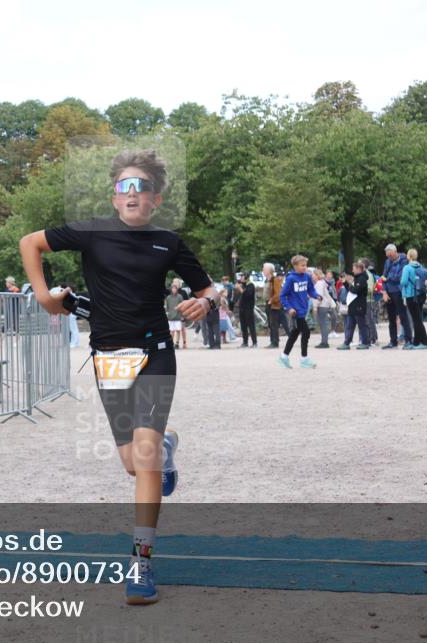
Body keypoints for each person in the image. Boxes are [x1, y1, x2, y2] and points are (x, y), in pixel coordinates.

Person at [19, 149, 217, 605]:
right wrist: (46, 296)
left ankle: (141, 563)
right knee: (134, 463)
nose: (132, 194)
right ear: (114, 197)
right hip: (110, 359)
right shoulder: (91, 232)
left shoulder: (168, 242)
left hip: (154, 354)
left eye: (140, 187)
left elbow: (207, 287)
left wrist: (204, 302)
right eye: (124, 186)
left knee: (142, 460)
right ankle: (166, 448)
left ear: (155, 198)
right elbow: (30, 243)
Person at [278, 255, 322, 369]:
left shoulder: (307, 277)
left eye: (306, 265)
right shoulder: (291, 278)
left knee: (294, 334)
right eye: (302, 265)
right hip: (296, 311)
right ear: (295, 266)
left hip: (303, 309)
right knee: (306, 332)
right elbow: (282, 295)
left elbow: (310, 290)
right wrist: (289, 308)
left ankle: (284, 356)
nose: (305, 267)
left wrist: (316, 295)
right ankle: (304, 359)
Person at [381, 243, 413, 349]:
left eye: (390, 256)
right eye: (387, 256)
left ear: (395, 252)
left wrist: (387, 278)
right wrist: (384, 292)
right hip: (389, 292)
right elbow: (383, 276)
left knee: (403, 316)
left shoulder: (404, 260)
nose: (389, 258)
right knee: (391, 318)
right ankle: (393, 341)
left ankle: (408, 340)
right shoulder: (387, 261)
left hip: (399, 291)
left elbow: (399, 277)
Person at [399, 249, 427, 349]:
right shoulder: (420, 266)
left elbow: (403, 282)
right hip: (420, 294)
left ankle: (424, 342)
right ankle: (416, 341)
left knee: (416, 320)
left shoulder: (407, 267)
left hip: (410, 295)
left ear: (408, 256)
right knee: (418, 318)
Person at [337, 261, 370, 349]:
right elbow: (351, 290)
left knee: (361, 325)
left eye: (354, 269)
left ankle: (365, 343)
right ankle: (347, 343)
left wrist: (349, 284)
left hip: (359, 305)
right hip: (353, 305)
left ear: (359, 269)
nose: (352, 270)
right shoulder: (357, 278)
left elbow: (355, 290)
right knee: (350, 325)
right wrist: (345, 283)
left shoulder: (362, 279)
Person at [262, 263, 287, 349]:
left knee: (274, 324)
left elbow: (278, 293)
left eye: (264, 269)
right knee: (270, 323)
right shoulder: (267, 280)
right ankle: (272, 341)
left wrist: (271, 300)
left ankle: (275, 342)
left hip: (273, 305)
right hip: (268, 304)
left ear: (269, 270)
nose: (263, 270)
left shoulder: (275, 280)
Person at [313, 269, 336, 348]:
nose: (312, 276)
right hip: (325, 304)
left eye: (313, 274)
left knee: (323, 324)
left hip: (322, 305)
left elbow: (319, 296)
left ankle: (324, 342)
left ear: (316, 275)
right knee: (324, 323)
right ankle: (324, 341)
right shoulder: (322, 283)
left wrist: (315, 307)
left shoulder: (319, 284)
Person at [360, 258, 380, 346]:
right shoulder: (364, 274)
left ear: (363, 265)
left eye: (359, 263)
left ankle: (372, 339)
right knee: (368, 319)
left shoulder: (368, 275)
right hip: (365, 300)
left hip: (368, 300)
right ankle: (371, 338)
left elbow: (370, 289)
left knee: (369, 320)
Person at [234, 272, 257, 347]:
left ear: (246, 277)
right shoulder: (243, 285)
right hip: (242, 308)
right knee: (243, 326)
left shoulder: (251, 285)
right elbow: (237, 297)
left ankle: (254, 342)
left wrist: (240, 289)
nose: (241, 278)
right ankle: (245, 342)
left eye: (242, 276)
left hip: (248, 309)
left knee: (251, 326)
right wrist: (237, 289)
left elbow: (248, 295)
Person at [165, 282, 187, 349]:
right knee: (171, 331)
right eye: (173, 288)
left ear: (177, 289)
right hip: (171, 317)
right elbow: (167, 307)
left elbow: (182, 306)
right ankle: (171, 343)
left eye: (175, 288)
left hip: (178, 316)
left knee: (178, 330)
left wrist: (182, 316)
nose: (174, 290)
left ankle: (177, 343)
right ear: (171, 289)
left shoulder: (180, 296)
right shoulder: (168, 297)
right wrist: (167, 315)